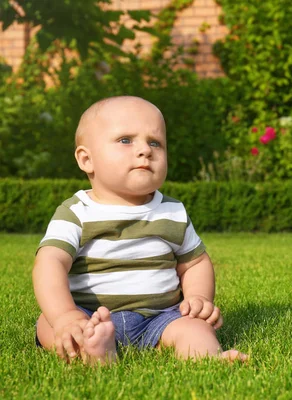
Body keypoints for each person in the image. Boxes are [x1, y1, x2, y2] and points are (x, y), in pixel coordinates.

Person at [32, 96, 248, 365]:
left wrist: (198, 298)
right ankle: (94, 350)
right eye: (126, 140)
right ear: (87, 159)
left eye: (155, 142)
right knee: (49, 324)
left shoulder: (172, 211)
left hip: (160, 317)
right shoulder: (76, 212)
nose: (145, 150)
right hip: (89, 313)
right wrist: (65, 315)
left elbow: (195, 263)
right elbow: (50, 262)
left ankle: (206, 357)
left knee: (194, 327)